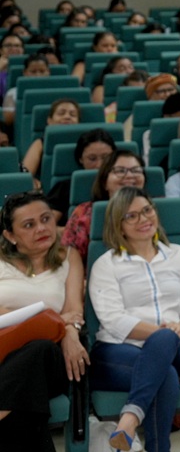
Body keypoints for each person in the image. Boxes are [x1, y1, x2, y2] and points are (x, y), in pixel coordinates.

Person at [89, 188, 180, 452]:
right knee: (166, 374)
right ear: (119, 224)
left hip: (177, 348)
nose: (143, 219)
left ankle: (129, 420)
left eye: (147, 210)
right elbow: (113, 319)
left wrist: (179, 330)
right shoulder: (107, 264)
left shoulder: (179, 255)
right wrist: (168, 333)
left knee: (165, 344)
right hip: (118, 351)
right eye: (131, 216)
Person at [0, 192, 89, 451]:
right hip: (4, 351)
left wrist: (69, 333)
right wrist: (55, 319)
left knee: (40, 348)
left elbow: (74, 311)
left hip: (51, 353)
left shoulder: (68, 257)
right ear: (10, 236)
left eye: (46, 219)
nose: (41, 228)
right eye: (29, 224)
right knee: (26, 405)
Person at [62, 150, 147, 259]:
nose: (130, 176)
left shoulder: (156, 210)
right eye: (120, 171)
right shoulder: (84, 213)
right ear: (104, 182)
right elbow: (69, 259)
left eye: (136, 170)